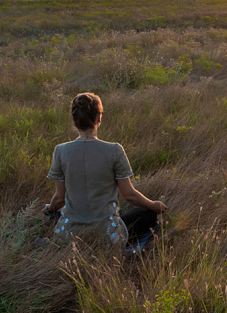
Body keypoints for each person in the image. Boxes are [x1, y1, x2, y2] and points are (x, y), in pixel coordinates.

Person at [44, 92, 167, 254]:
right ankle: (127, 250)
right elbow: (129, 195)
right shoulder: (114, 150)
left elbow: (59, 199)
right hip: (108, 236)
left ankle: (59, 243)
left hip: (68, 235)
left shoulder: (60, 151)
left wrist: (49, 210)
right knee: (149, 215)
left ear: (75, 120)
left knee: (54, 214)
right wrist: (154, 205)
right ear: (99, 118)